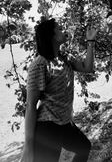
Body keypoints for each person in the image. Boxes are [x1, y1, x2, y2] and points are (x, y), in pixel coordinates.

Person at [20, 18, 97, 162]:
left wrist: (90, 42)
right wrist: (28, 147)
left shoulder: (63, 58)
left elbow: (88, 67)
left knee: (84, 147)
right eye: (60, 29)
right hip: (47, 129)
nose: (64, 31)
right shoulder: (40, 65)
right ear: (52, 36)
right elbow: (30, 105)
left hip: (65, 123)